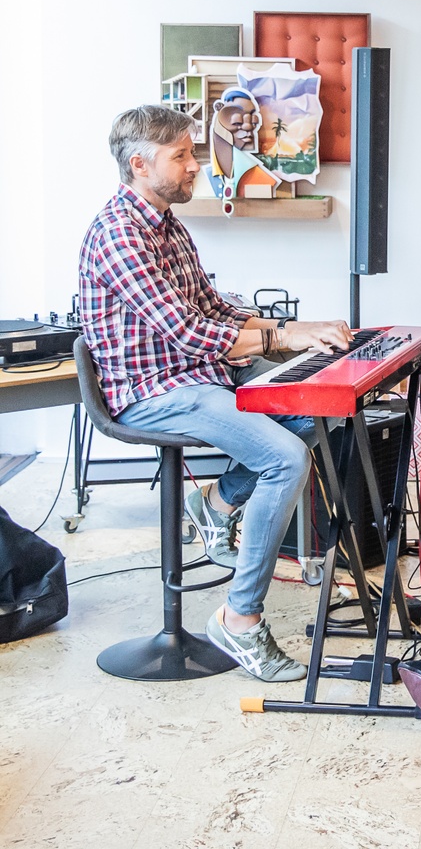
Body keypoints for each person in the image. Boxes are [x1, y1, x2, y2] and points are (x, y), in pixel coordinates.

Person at [79, 104, 352, 681]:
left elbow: (211, 307)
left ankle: (218, 502)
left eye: (192, 153)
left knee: (314, 414)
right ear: (138, 164)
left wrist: (287, 332)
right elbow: (185, 331)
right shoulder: (119, 234)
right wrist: (279, 335)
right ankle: (240, 618)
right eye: (180, 156)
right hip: (151, 390)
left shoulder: (167, 225)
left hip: (195, 375)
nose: (194, 165)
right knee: (285, 456)